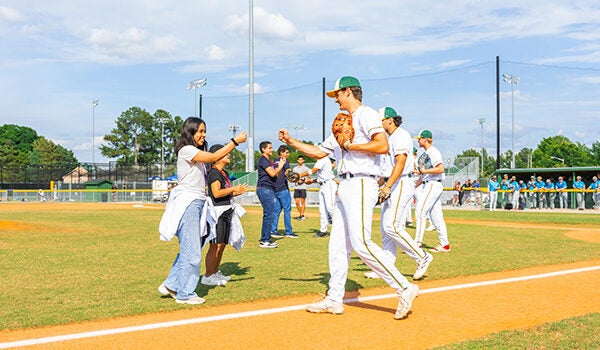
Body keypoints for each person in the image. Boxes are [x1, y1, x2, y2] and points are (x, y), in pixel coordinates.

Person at [278, 76, 419, 320]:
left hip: (363, 181)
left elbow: (382, 146)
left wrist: (353, 146)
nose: (336, 100)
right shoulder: (343, 124)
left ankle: (404, 287)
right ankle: (334, 298)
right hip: (344, 183)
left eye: (337, 95)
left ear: (349, 92)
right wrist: (292, 141)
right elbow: (319, 152)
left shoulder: (366, 115)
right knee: (337, 246)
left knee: (361, 242)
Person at [158, 116, 247, 305]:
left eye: (204, 131)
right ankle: (185, 293)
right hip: (189, 203)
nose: (203, 135)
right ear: (190, 132)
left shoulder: (194, 152)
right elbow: (214, 157)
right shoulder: (187, 150)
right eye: (200, 131)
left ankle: (171, 284)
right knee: (192, 252)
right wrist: (234, 142)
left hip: (197, 203)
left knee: (192, 248)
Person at [365, 107, 432, 281]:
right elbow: (387, 169)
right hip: (394, 181)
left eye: (380, 120)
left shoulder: (400, 135)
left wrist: (387, 186)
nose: (378, 124)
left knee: (392, 226)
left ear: (389, 120)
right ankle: (387, 268)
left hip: (402, 181)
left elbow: (400, 163)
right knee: (385, 229)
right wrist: (378, 185)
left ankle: (422, 256)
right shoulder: (390, 137)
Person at [201, 144, 249, 287]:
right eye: (225, 153)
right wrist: (233, 188)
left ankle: (215, 273)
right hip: (218, 213)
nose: (228, 154)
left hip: (227, 211)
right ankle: (208, 275)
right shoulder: (214, 173)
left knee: (222, 245)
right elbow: (216, 193)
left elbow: (225, 192)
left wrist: (236, 192)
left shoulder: (223, 173)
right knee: (215, 245)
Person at [413, 130, 450, 253]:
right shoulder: (426, 153)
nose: (418, 140)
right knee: (436, 216)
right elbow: (423, 176)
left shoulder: (433, 152)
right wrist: (413, 186)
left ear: (425, 139)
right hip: (429, 184)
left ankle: (417, 243)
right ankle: (445, 244)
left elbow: (440, 168)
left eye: (419, 138)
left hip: (433, 185)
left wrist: (424, 172)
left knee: (420, 212)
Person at [297, 156, 338, 237]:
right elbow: (321, 177)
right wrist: (311, 181)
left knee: (330, 208)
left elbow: (313, 171)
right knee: (322, 210)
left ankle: (346, 228)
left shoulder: (323, 158)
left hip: (328, 184)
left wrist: (300, 175)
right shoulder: (321, 160)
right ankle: (323, 231)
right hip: (323, 185)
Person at [256, 141, 286, 248]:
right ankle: (265, 240)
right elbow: (273, 173)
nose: (271, 149)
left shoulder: (269, 161)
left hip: (269, 189)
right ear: (263, 149)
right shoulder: (263, 160)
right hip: (265, 189)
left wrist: (279, 167)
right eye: (269, 148)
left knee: (270, 214)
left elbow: (275, 176)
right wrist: (281, 165)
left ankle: (266, 238)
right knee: (269, 214)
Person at [271, 145, 297, 239]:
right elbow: (288, 173)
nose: (288, 154)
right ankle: (289, 232)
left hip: (275, 189)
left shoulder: (274, 161)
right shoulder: (284, 160)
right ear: (281, 153)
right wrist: (295, 177)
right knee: (287, 210)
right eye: (286, 152)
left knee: (276, 211)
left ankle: (273, 230)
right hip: (283, 188)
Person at [292, 155, 311, 221]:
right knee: (297, 202)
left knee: (302, 201)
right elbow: (293, 177)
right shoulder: (295, 169)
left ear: (303, 160)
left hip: (303, 187)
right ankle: (301, 214)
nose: (300, 161)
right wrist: (297, 180)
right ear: (297, 160)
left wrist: (302, 180)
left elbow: (309, 177)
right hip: (296, 187)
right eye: (299, 160)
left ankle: (302, 215)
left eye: (301, 159)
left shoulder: (306, 168)